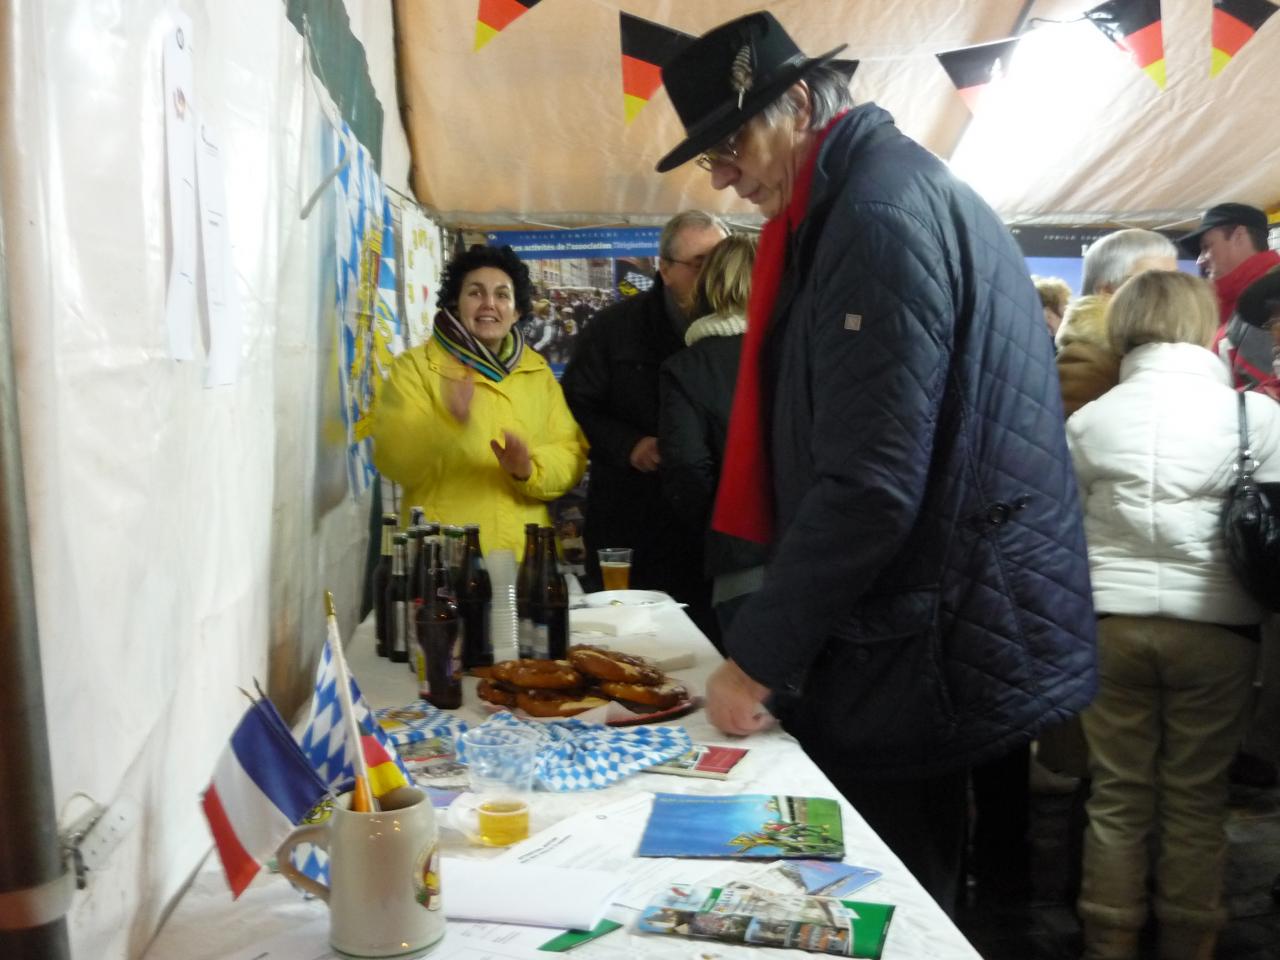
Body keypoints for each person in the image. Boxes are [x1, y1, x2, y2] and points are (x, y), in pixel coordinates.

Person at [654, 12, 1097, 910]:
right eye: (711, 155)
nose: (725, 174)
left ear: (806, 103)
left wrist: (758, 657)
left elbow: (869, 481)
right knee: (917, 874)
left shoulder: (874, 214)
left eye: (732, 140)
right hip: (936, 609)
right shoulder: (880, 193)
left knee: (893, 899)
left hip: (924, 625)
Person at [1066, 270, 1280, 960]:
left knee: (1117, 794)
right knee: (1196, 797)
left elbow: (1062, 528)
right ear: (1201, 326)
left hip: (1111, 625)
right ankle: (1190, 942)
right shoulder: (1259, 418)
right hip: (1220, 627)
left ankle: (1109, 937)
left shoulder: (1089, 419)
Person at [561, 210, 727, 632]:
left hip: (708, 527)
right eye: (699, 263)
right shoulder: (613, 329)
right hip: (630, 516)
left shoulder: (737, 334)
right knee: (629, 644)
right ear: (665, 269)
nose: (712, 274)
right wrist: (628, 444)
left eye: (720, 260)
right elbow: (575, 405)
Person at [369, 244, 588, 555]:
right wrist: (447, 420)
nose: (489, 304)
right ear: (455, 304)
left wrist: (527, 470)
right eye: (475, 293)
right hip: (444, 558)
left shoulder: (536, 372)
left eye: (502, 295)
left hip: (525, 558)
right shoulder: (415, 368)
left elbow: (570, 454)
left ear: (517, 312)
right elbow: (393, 458)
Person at [658, 234, 769, 640]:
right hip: (819, 559)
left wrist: (721, 520)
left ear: (707, 284)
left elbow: (687, 466)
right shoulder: (804, 352)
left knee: (749, 696)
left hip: (741, 565)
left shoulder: (686, 368)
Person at [1055, 229, 1179, 417]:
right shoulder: (1084, 360)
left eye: (1176, 281)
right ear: (1106, 291)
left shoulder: (1151, 346)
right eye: (1151, 282)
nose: (1170, 293)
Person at [1179, 202, 1279, 326]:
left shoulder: (1273, 298)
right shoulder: (1219, 302)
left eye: (1206, 247)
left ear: (1238, 236)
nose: (1200, 261)